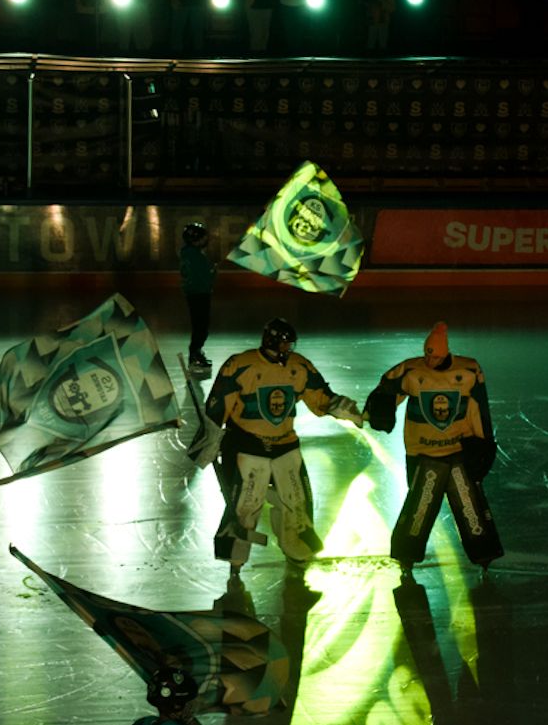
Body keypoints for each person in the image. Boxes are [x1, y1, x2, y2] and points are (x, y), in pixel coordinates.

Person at [196, 318, 363, 577]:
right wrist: (209, 443)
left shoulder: (299, 366)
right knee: (245, 506)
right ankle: (235, 560)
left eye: (290, 344)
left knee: (297, 503)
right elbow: (217, 407)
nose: (288, 349)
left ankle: (296, 549)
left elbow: (321, 396)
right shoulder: (239, 365)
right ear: (271, 342)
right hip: (248, 447)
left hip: (285, 446)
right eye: (285, 344)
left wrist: (346, 409)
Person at [364, 322, 503, 577]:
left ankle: (484, 555)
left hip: (458, 451)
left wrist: (483, 443)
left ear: (445, 352)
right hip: (423, 454)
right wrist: (379, 410)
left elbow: (478, 408)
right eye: (427, 355)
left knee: (470, 507)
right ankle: (406, 556)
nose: (430, 360)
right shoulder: (411, 370)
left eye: (436, 356)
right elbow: (386, 388)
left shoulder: (469, 370)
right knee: (419, 509)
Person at [178, 221, 216, 373]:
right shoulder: (195, 256)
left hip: (197, 293)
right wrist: (213, 272)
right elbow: (204, 276)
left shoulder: (190, 254)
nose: (206, 240)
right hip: (199, 294)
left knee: (200, 326)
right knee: (201, 327)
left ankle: (196, 352)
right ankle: (194, 356)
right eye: (203, 238)